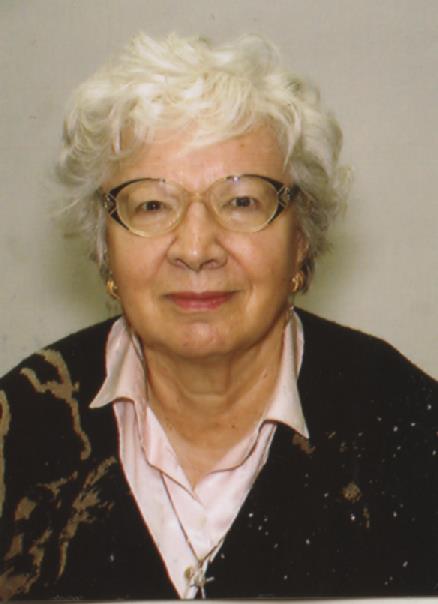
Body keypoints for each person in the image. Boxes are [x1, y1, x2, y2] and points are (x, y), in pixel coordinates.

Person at [0, 32, 436, 601]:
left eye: (241, 201)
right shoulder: (18, 427)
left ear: (301, 239)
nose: (196, 248)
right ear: (104, 247)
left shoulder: (414, 433)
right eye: (151, 205)